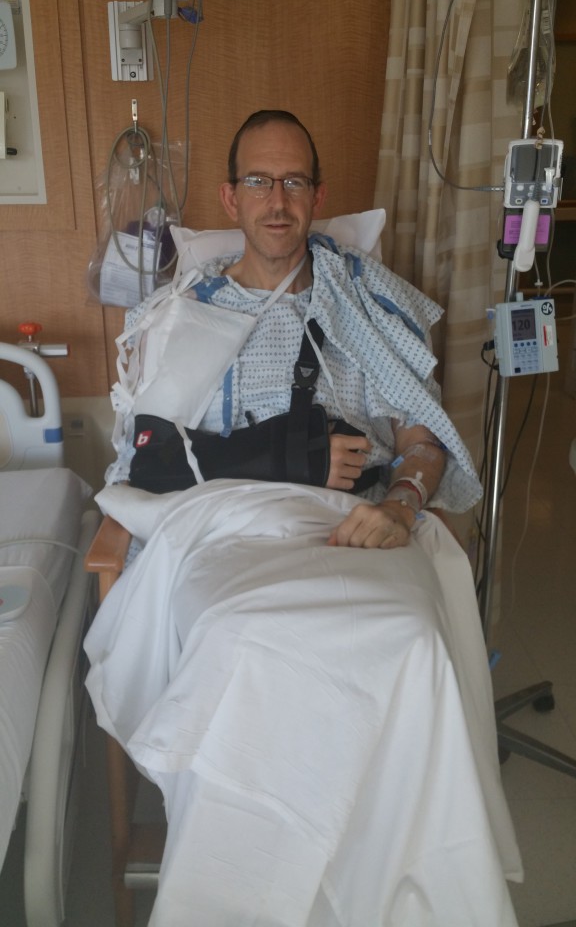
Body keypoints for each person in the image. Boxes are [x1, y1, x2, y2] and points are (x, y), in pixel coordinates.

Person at [85, 111, 522, 926]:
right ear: (231, 197)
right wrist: (283, 457)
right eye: (258, 181)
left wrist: (402, 504)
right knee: (241, 637)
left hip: (360, 520)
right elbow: (148, 457)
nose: (276, 200)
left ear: (317, 196)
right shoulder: (181, 312)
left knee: (411, 639)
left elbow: (422, 441)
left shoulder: (365, 300)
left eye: (293, 182)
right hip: (226, 525)